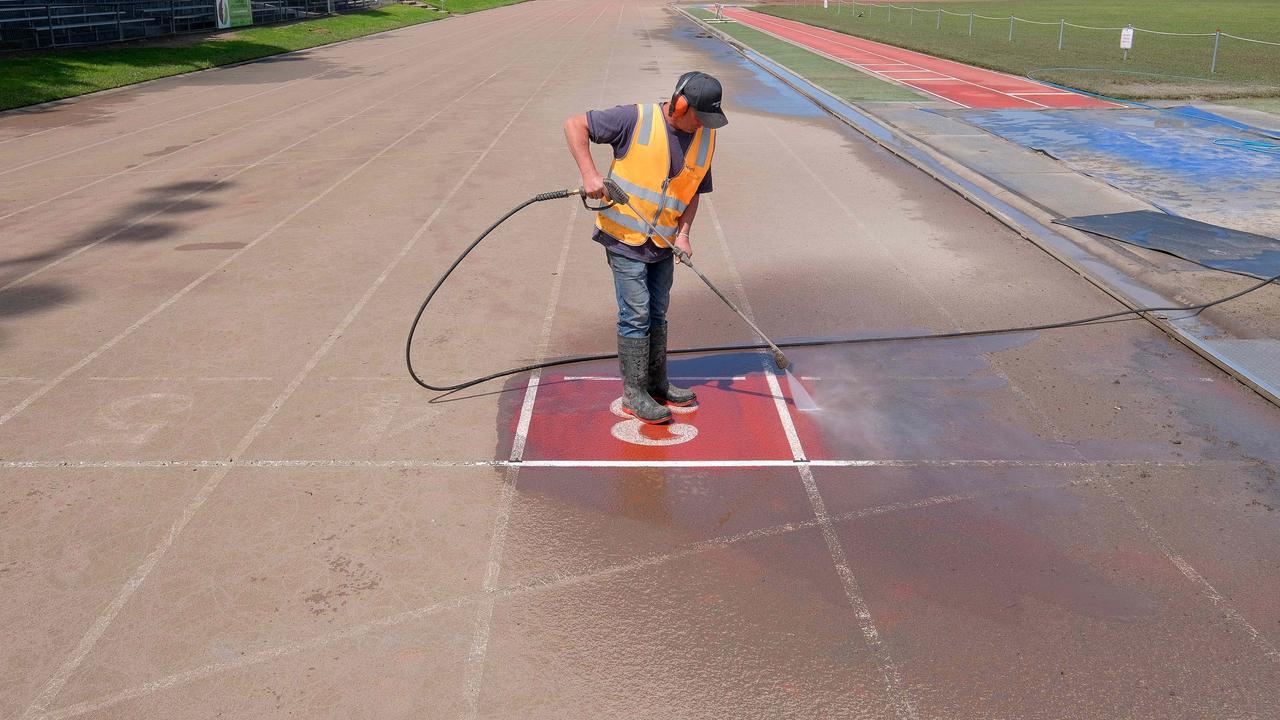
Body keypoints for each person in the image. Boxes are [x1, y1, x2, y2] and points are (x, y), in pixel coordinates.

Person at [563, 71, 728, 425]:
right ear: (680, 104)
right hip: (624, 237)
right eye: (699, 116)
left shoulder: (705, 138)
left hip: (664, 242)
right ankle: (634, 393)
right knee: (636, 313)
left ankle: (656, 383)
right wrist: (590, 174)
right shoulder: (635, 119)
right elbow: (574, 125)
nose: (703, 125)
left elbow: (693, 190)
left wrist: (683, 234)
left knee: (658, 313)